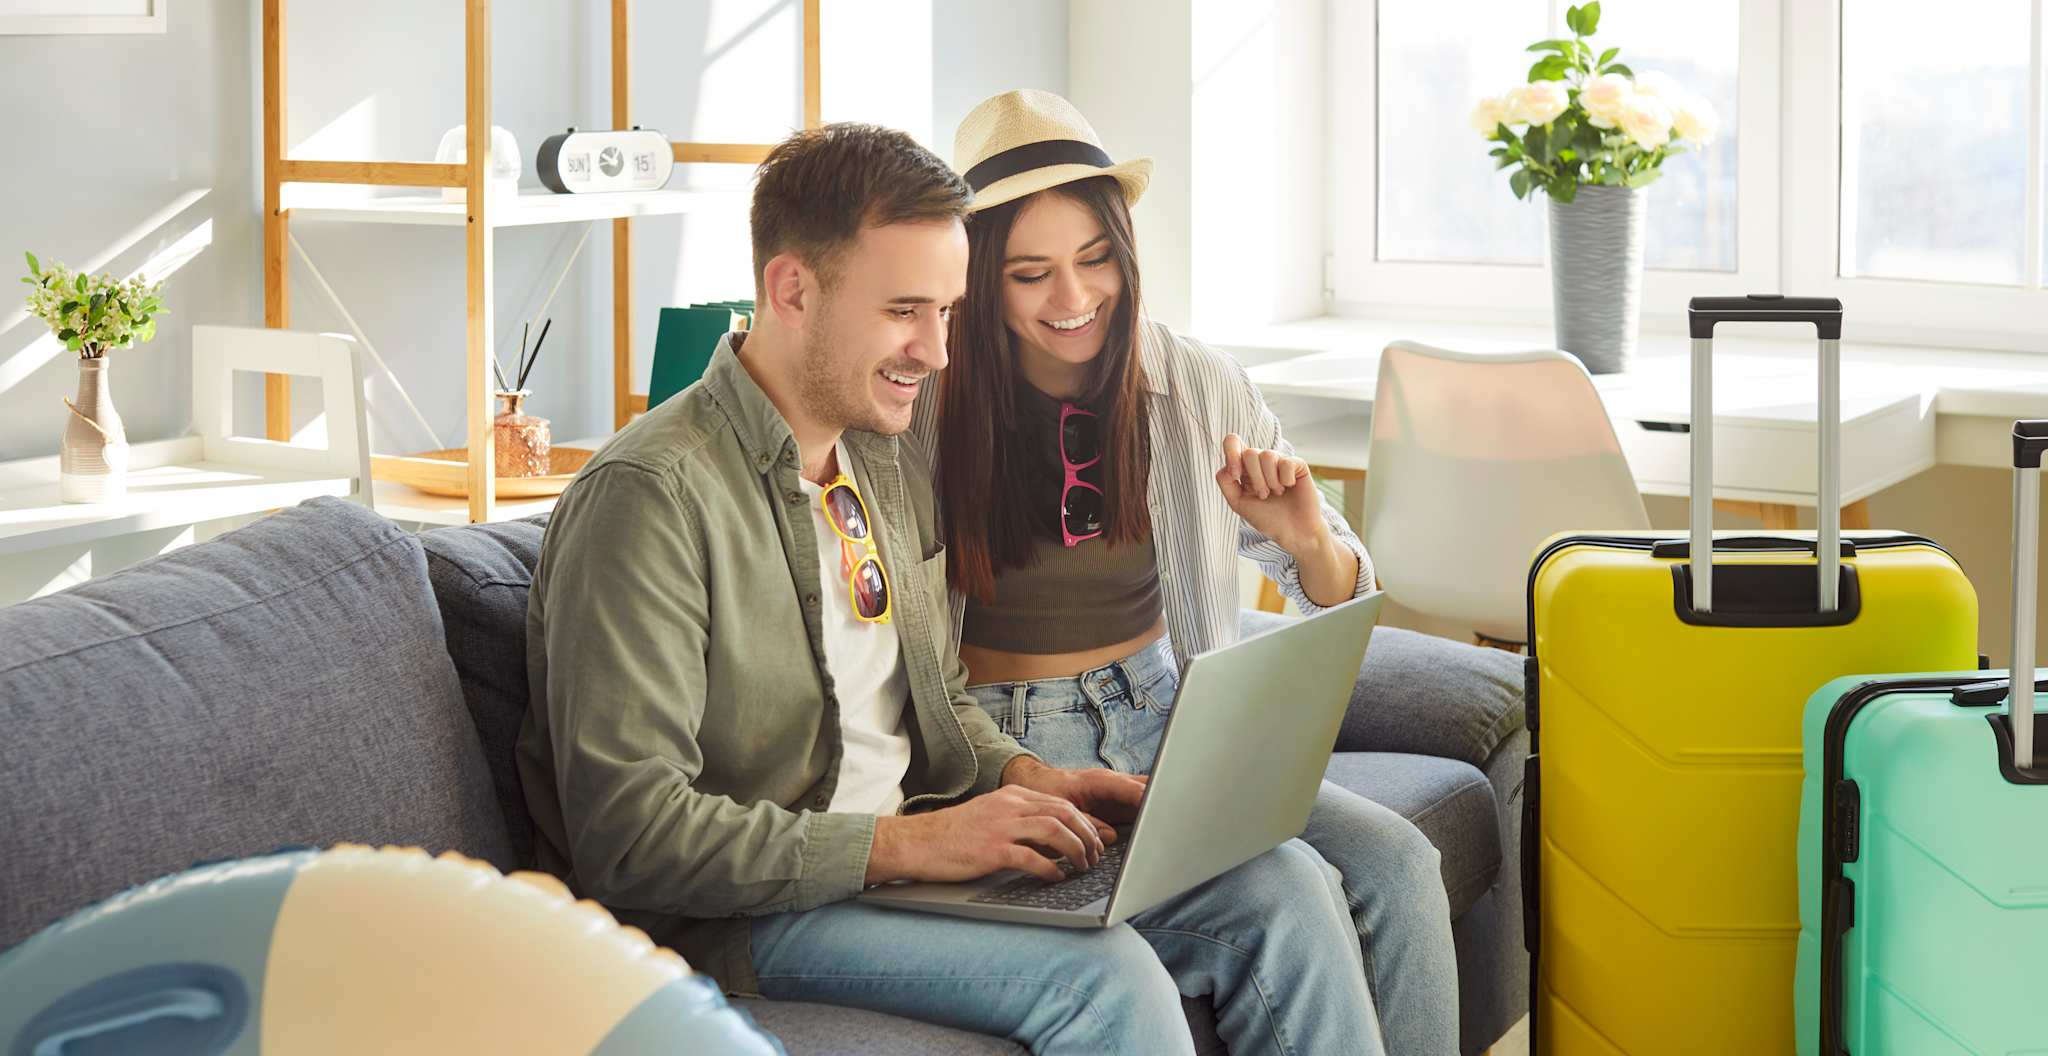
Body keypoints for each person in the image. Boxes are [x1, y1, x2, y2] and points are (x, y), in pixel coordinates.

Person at [520, 121, 1381, 1056]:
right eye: (904, 311)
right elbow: (629, 836)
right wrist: (913, 847)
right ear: (792, 290)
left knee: (1283, 894)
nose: (934, 353)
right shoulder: (650, 497)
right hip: (754, 914)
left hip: (908, 854)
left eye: (947, 312)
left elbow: (934, 703)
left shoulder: (876, 459)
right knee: (1110, 982)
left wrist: (1025, 777)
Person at [913, 89, 1462, 1056]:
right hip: (1013, 738)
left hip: (1174, 721)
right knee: (1286, 897)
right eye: (1031, 274)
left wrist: (1302, 536)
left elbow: (1337, 590)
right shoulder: (926, 404)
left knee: (1401, 865)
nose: (1073, 300)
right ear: (981, 277)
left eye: (1094, 261)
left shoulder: (1198, 381)